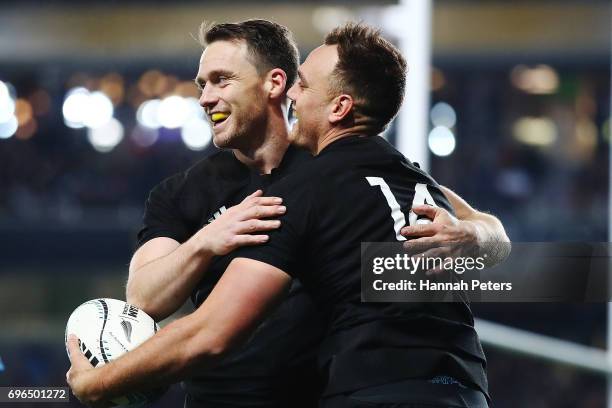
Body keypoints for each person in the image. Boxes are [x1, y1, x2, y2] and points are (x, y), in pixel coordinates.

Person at [67, 21, 506, 407]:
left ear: (274, 83)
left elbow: (213, 333)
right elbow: (144, 298)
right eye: (202, 84)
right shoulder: (181, 193)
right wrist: (206, 240)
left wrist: (473, 236)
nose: (205, 97)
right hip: (230, 399)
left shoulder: (318, 179)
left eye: (221, 80)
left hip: (332, 393)